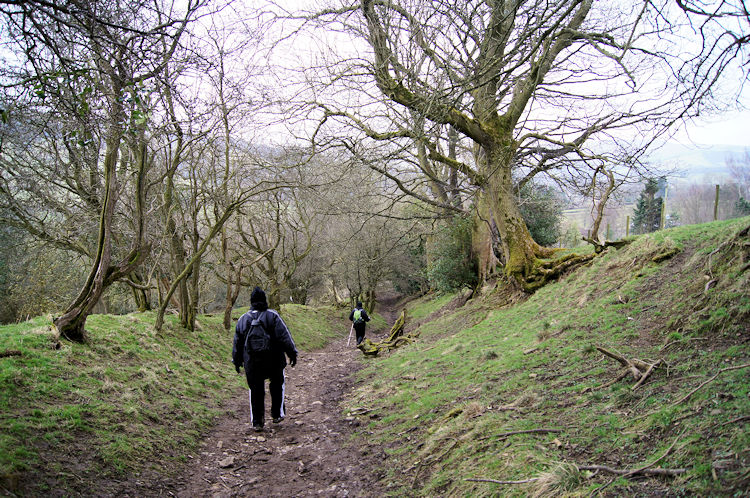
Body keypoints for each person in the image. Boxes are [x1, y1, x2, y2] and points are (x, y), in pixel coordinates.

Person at [232, 287, 297, 432]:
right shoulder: (272, 316)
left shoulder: (243, 319)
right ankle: (277, 414)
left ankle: (257, 422)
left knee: (255, 390)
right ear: (264, 300)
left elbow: (237, 343)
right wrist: (292, 353)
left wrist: (236, 361)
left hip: (252, 362)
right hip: (273, 360)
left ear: (251, 301)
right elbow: (284, 337)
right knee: (277, 385)